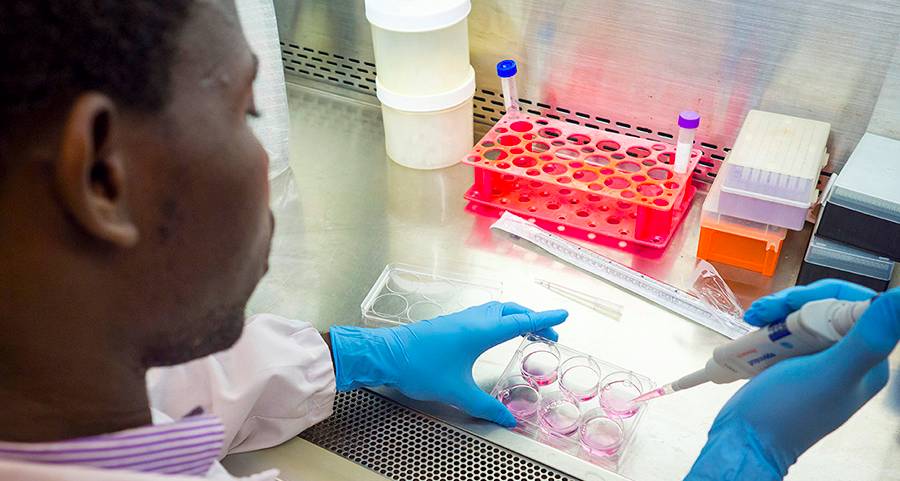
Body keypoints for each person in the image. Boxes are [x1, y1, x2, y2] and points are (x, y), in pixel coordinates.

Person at [0, 2, 896, 481]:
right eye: (245, 110)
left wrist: (351, 355)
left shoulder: (48, 388)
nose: (266, 156)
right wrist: (746, 460)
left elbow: (165, 399)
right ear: (102, 177)